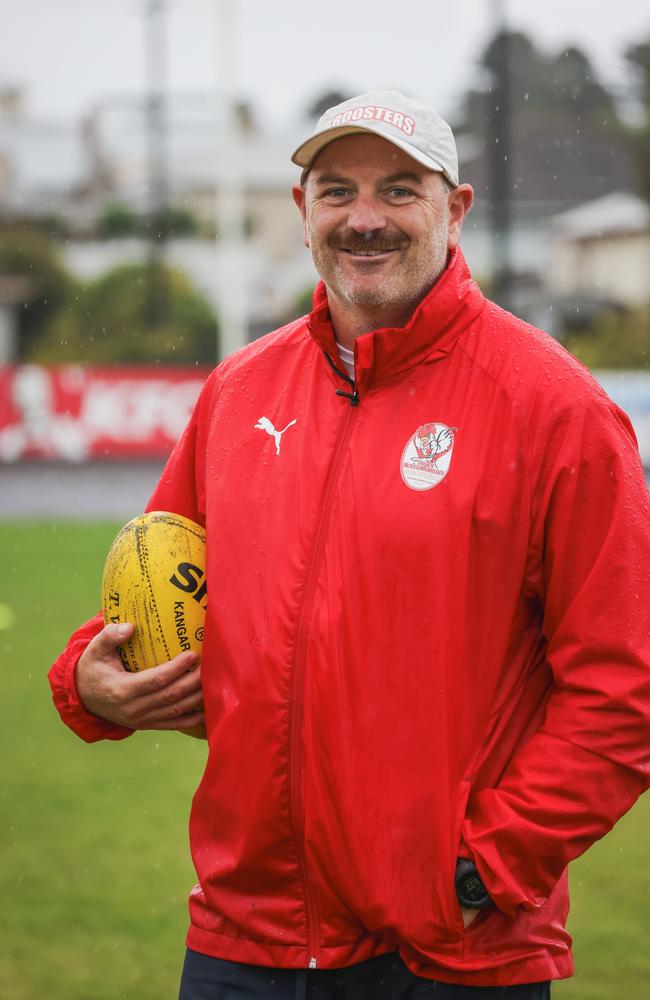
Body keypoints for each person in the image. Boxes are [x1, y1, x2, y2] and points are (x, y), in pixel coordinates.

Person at [49, 91, 650, 999]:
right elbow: (155, 588)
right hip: (242, 939)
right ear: (302, 213)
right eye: (337, 191)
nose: (364, 219)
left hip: (450, 952)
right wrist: (88, 685)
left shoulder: (555, 410)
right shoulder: (238, 392)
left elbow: (624, 680)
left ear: (456, 209)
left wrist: (486, 869)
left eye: (400, 190)